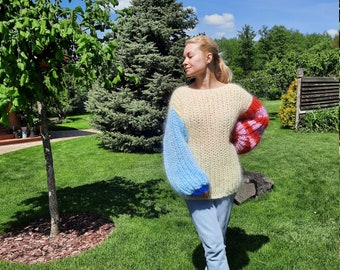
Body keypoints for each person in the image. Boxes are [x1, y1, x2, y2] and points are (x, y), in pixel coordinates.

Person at [163, 35, 269, 270]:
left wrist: (239, 141)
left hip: (227, 179)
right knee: (214, 249)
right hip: (196, 185)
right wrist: (193, 182)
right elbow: (174, 144)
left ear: (208, 57)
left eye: (190, 55)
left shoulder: (233, 93)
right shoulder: (181, 97)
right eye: (183, 57)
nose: (184, 61)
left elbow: (259, 116)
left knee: (217, 242)